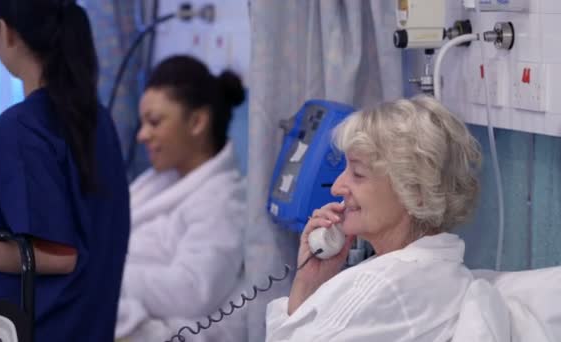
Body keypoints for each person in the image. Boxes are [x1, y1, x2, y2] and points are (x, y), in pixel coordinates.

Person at [266, 95, 482, 341]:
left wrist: (304, 286)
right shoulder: (446, 273)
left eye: (357, 173)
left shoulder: (381, 284)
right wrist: (309, 281)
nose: (337, 187)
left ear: (415, 192)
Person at [0, 0, 130, 341]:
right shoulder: (97, 120)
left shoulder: (20, 130)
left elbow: (57, 255)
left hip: (36, 329)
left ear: (7, 34)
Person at [115, 55, 247, 342]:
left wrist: (107, 275)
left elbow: (193, 290)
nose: (142, 135)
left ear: (197, 122)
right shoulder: (157, 182)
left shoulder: (222, 201)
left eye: (154, 122)